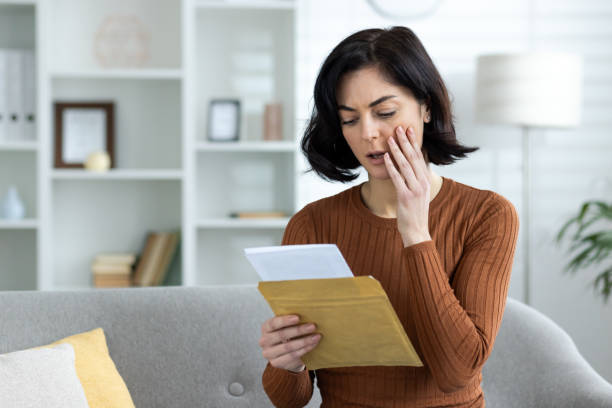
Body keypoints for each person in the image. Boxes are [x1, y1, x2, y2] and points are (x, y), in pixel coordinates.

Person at [258, 26, 519, 408]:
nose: (368, 133)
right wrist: (289, 362)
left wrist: (415, 231)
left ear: (426, 107)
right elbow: (289, 400)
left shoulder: (487, 215)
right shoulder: (312, 224)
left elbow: (456, 372)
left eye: (385, 112)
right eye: (349, 119)